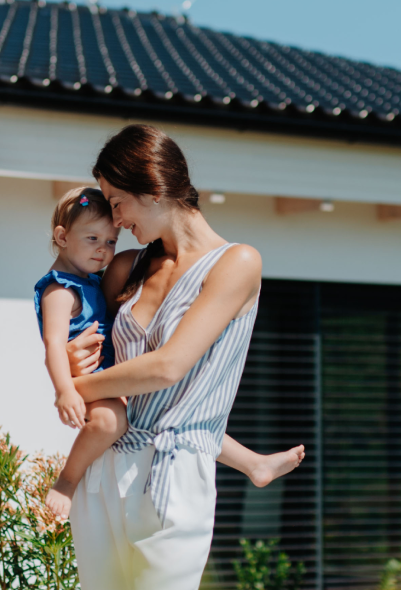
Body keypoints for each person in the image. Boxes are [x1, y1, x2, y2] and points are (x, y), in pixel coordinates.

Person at [56, 127, 268, 590]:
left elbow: (174, 365)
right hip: (108, 473)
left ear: (153, 186)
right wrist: (76, 363)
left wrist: (77, 388)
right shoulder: (130, 265)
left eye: (119, 202)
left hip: (175, 479)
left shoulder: (235, 263)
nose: (115, 219)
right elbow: (70, 313)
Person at [33, 186, 303, 516]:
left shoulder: (92, 280)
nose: (103, 250)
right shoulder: (60, 289)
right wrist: (65, 389)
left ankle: (252, 463)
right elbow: (53, 345)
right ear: (62, 237)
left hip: (115, 381)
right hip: (98, 386)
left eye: (111, 241)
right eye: (92, 239)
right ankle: (66, 482)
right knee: (109, 422)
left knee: (173, 410)